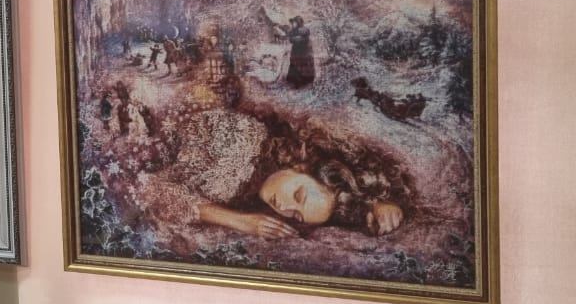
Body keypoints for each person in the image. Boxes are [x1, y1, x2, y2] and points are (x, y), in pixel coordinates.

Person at [139, 99, 413, 242]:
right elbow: (152, 190)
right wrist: (239, 221)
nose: (283, 207)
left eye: (295, 215)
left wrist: (375, 203)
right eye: (298, 195)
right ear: (300, 166)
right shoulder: (243, 141)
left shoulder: (257, 187)